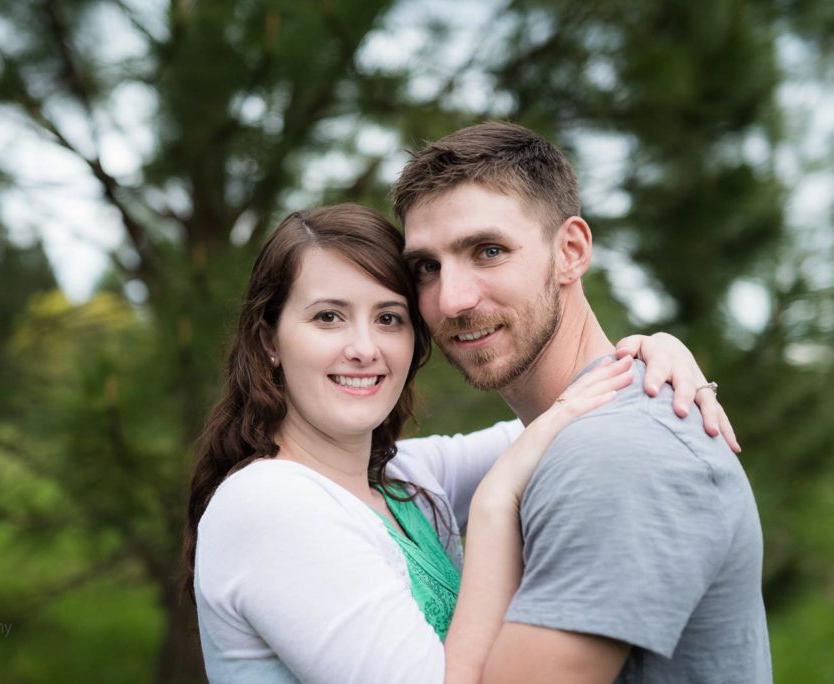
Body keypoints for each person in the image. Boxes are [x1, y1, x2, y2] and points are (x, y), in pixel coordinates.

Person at [186, 204, 737, 683]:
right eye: (328, 317)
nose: (363, 348)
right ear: (270, 340)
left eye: (389, 318)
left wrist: (652, 352)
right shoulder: (269, 507)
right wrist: (496, 503)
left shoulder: (402, 479)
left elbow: (566, 413)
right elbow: (533, 442)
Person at [392, 121, 770, 682]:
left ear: (570, 251)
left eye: (489, 251)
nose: (451, 299)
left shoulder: (616, 455)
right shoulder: (567, 431)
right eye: (428, 266)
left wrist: (496, 502)